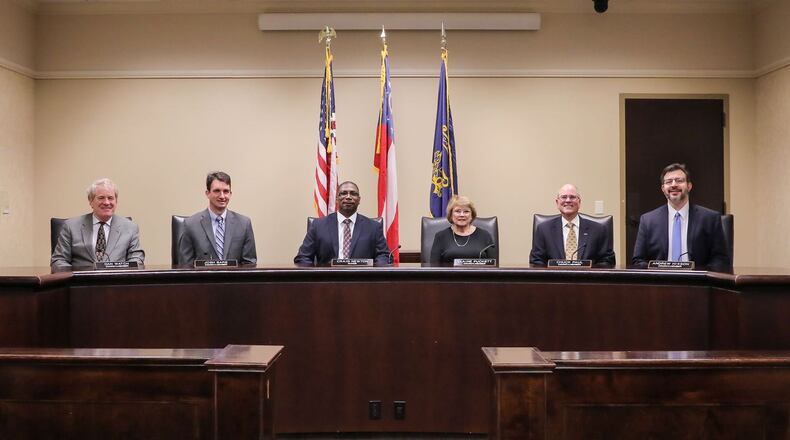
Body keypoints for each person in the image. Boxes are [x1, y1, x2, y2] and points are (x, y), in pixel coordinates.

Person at [632, 163, 730, 272]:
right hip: (660, 284)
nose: (674, 185)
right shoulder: (648, 220)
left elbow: (720, 259)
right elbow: (638, 261)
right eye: (669, 182)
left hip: (698, 284)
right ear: (663, 188)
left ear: (689, 186)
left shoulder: (710, 219)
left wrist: (702, 276)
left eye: (679, 180)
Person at [51, 178, 145, 269]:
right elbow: (59, 260)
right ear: (91, 201)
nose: (106, 202)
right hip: (81, 282)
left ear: (116, 201)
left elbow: (136, 259)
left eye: (110, 198)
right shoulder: (71, 226)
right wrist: (74, 277)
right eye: (101, 198)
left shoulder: (130, 227)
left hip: (116, 282)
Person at [295, 181, 391, 266]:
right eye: (343, 193)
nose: (348, 197)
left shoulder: (373, 227)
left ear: (359, 200)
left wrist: (376, 273)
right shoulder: (318, 226)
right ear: (337, 199)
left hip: (362, 281)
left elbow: (384, 256)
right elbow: (303, 257)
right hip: (327, 282)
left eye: (353, 194)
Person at [178, 171, 257, 265]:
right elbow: (185, 267)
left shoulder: (244, 224)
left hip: (234, 279)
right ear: (207, 193)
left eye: (226, 191)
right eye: (217, 191)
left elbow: (250, 265)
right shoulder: (190, 225)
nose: (222, 196)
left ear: (230, 194)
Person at [529, 184, 615, 267]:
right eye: (564, 197)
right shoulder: (544, 229)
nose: (568, 200)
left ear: (579, 202)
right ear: (557, 202)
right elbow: (536, 261)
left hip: (588, 280)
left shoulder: (598, 230)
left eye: (572, 197)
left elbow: (607, 261)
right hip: (555, 280)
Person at [429, 195, 497, 266]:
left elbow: (494, 267)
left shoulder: (485, 236)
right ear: (451, 215)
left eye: (466, 211)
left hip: (478, 277)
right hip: (448, 277)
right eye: (457, 211)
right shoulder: (440, 237)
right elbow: (433, 268)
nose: (462, 215)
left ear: (471, 215)